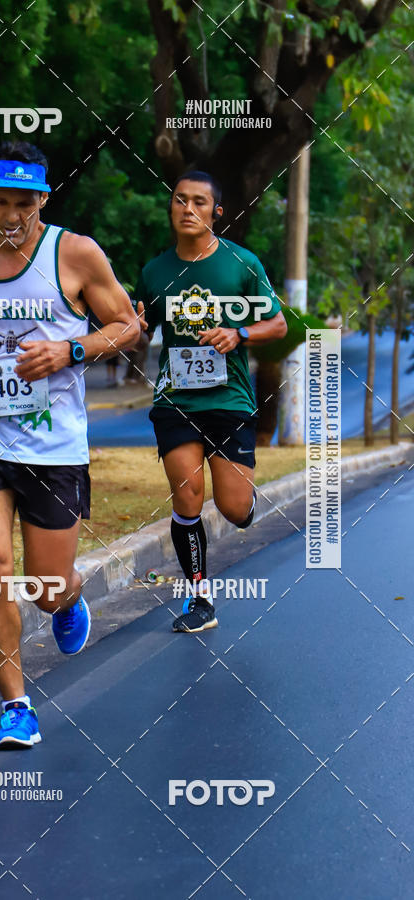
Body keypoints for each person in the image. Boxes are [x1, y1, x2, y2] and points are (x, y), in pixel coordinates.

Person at [0, 140, 138, 748]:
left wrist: (69, 350)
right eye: (2, 202)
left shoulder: (75, 254)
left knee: (45, 588)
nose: (13, 216)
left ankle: (68, 599)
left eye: (26, 204)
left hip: (55, 448)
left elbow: (126, 325)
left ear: (44, 198)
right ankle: (16, 705)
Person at [135, 171, 287, 633]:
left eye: (199, 202)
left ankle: (243, 503)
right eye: (180, 200)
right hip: (176, 400)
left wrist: (238, 332)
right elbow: (139, 329)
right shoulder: (154, 271)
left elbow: (278, 325)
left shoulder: (240, 264)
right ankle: (200, 599)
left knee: (233, 508)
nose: (187, 208)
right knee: (188, 497)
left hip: (230, 398)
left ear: (215, 212)